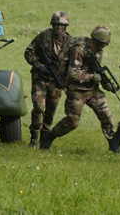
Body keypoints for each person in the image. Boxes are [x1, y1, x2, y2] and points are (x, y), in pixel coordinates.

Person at [40, 25, 117, 151]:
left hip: (92, 89)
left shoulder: (98, 49)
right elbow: (73, 72)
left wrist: (105, 82)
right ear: (94, 40)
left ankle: (113, 143)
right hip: (76, 89)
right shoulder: (79, 49)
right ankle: (50, 136)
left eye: (105, 44)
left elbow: (96, 68)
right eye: (100, 43)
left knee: (105, 113)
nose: (102, 47)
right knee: (73, 122)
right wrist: (92, 77)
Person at [24, 11, 74, 148]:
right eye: (57, 26)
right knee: (39, 107)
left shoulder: (71, 43)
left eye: (62, 26)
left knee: (51, 111)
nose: (59, 29)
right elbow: (28, 52)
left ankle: (44, 137)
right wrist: (39, 65)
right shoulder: (43, 36)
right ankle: (34, 136)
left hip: (57, 81)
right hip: (40, 78)